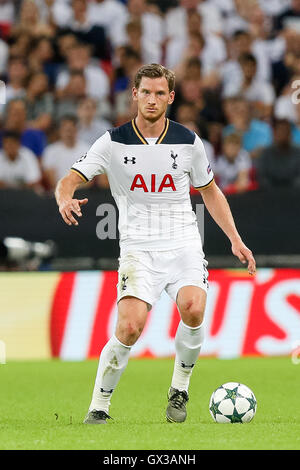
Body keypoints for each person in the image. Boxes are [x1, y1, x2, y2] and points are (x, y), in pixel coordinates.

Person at [55, 64, 256, 424]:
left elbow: (210, 191)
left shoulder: (188, 141)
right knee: (129, 328)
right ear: (134, 94)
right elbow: (69, 179)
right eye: (145, 92)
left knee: (193, 307)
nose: (152, 99)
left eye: (160, 93)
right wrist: (64, 198)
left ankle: (179, 388)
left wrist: (235, 239)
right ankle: (99, 406)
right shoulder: (112, 141)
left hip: (183, 242)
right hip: (138, 248)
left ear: (171, 97)